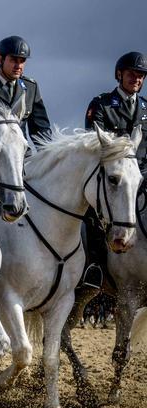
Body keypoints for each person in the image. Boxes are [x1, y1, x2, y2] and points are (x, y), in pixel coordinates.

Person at [80, 51, 147, 288]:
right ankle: (94, 268)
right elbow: (92, 144)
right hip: (109, 180)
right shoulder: (102, 105)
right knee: (92, 218)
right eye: (132, 74)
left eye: (141, 76)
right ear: (119, 74)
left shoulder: (146, 110)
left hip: (139, 180)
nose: (136, 79)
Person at [0, 36, 52, 147]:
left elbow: (41, 131)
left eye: (22, 61)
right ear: (0, 59)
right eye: (13, 60)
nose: (18, 66)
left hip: (22, 157)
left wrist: (48, 158)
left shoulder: (31, 87)